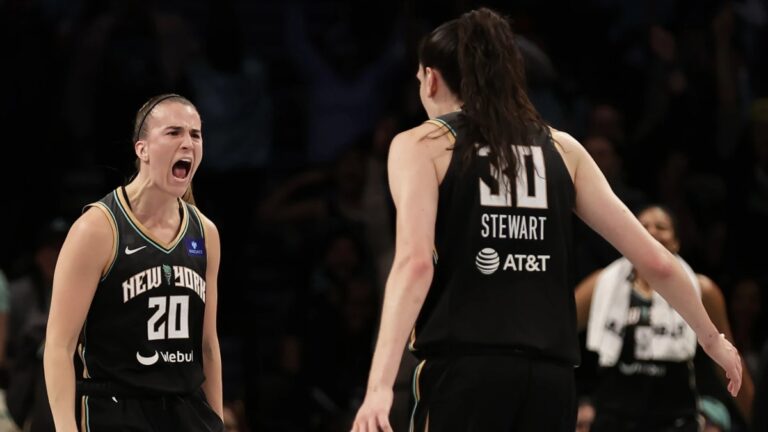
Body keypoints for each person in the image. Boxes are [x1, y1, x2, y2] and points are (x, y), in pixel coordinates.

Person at [350, 8, 742, 432]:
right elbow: (659, 262)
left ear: (429, 78)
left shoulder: (422, 145)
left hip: (464, 374)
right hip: (550, 382)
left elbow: (415, 264)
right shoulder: (563, 148)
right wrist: (711, 339)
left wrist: (378, 388)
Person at [43, 93, 224, 431]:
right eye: (173, 132)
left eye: (195, 134)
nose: (188, 143)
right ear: (142, 149)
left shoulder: (205, 232)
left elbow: (208, 345)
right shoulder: (97, 229)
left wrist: (216, 419)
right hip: (116, 409)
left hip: (185, 409)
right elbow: (58, 345)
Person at [574, 204, 754, 431]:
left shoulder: (702, 290)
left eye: (661, 227)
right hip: (614, 420)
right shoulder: (602, 284)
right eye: (643, 226)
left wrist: (757, 419)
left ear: (677, 242)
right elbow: (558, 330)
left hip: (675, 421)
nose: (651, 232)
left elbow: (729, 361)